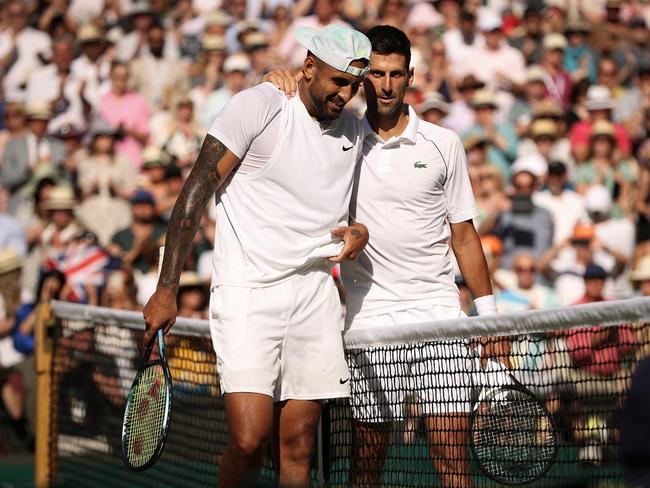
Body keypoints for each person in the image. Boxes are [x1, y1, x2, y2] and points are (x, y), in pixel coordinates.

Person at [266, 24, 502, 488]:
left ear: (410, 75)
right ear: (363, 76)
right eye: (377, 74)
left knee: (451, 454)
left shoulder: (444, 144)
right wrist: (280, 83)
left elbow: (465, 236)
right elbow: (295, 110)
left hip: (438, 315)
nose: (387, 85)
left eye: (396, 74)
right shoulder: (337, 136)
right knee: (367, 462)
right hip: (369, 321)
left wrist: (489, 318)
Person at [143, 25, 371, 487]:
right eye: (338, 82)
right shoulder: (258, 105)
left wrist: (360, 230)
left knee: (299, 447)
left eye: (354, 85)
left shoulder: (353, 129)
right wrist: (166, 288)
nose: (345, 94)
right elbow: (194, 193)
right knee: (248, 442)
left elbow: (353, 208)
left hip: (315, 295)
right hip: (247, 292)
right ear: (308, 67)